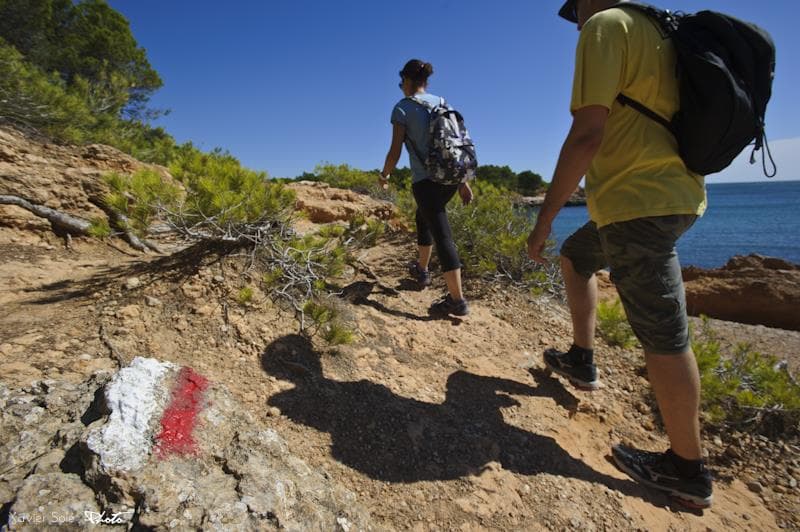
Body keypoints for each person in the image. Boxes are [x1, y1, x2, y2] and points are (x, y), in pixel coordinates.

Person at [526, 0, 713, 508]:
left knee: (664, 334)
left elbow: (587, 133)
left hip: (638, 205)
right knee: (578, 255)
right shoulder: (664, 31)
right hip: (672, 194)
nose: (576, 21)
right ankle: (582, 359)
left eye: (574, 12)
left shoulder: (606, 27)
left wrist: (543, 219)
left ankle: (686, 469)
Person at [380, 59, 473, 316]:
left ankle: (458, 301)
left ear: (407, 81)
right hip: (450, 180)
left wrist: (384, 175)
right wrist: (463, 183)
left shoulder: (402, 108)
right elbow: (454, 146)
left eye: (401, 83)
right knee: (423, 218)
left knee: (443, 235)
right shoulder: (443, 103)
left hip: (426, 182)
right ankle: (421, 271)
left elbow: (395, 151)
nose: (401, 88)